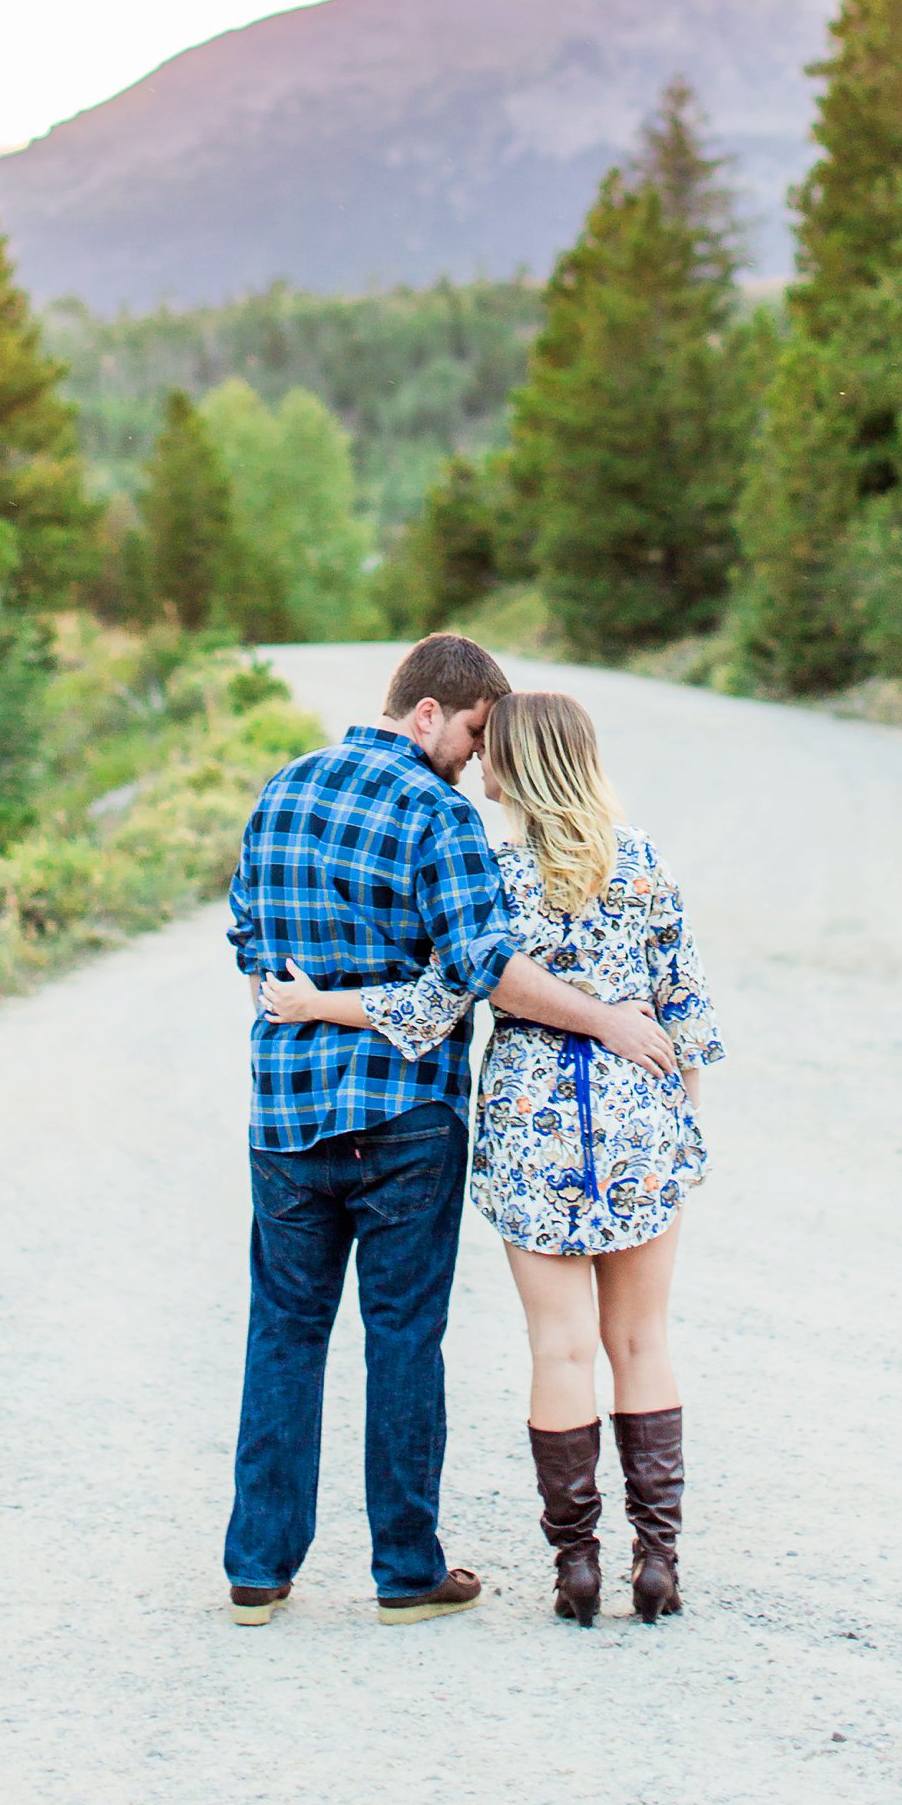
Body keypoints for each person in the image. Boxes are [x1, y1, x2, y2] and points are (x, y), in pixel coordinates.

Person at [223, 634, 677, 1629]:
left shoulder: (280, 791)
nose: (477, 759)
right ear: (427, 712)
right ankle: (403, 1573)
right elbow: (478, 965)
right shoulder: (439, 815)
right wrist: (609, 1022)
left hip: (288, 1115)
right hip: (407, 1116)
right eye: (473, 733)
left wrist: (313, 1000)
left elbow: (249, 944)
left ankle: (257, 1570)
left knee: (283, 1336)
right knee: (402, 1337)